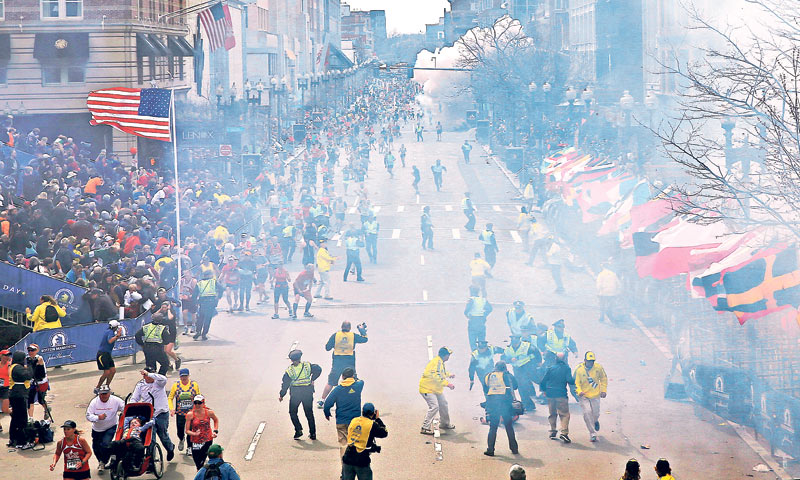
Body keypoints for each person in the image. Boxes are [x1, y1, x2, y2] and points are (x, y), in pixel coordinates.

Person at [130, 368, 175, 461]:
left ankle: (170, 448)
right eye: (147, 375)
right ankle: (151, 460)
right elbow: (134, 398)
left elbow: (164, 379)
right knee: (150, 437)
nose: (149, 377)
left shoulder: (158, 382)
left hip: (161, 413)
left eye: (151, 374)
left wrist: (150, 374)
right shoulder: (140, 385)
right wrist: (131, 407)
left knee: (163, 435)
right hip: (149, 414)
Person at [320, 321, 368, 407]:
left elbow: (327, 348)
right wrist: (362, 330)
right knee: (353, 381)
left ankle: (322, 401)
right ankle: (354, 400)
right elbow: (364, 339)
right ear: (349, 328)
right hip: (349, 362)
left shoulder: (335, 335)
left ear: (341, 327)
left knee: (331, 382)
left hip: (337, 362)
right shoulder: (353, 336)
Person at [323, 367, 364, 463]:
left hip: (342, 422)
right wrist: (355, 378)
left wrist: (327, 413)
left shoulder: (338, 389)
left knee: (344, 445)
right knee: (355, 443)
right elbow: (362, 381)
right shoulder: (358, 386)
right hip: (355, 422)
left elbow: (327, 403)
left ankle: (345, 468)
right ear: (353, 376)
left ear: (342, 376)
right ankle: (356, 465)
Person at [279, 349, 322, 440]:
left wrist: (282, 395)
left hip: (295, 394)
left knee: (293, 412)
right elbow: (318, 369)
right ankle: (313, 433)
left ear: (291, 360)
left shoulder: (289, 371)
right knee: (309, 413)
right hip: (307, 392)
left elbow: (285, 384)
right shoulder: (307, 366)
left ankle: (298, 430)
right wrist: (312, 379)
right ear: (300, 357)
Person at [341, 402, 388, 480]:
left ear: (362, 412)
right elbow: (384, 433)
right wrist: (378, 419)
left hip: (348, 457)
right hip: (361, 460)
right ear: (373, 413)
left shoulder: (354, 420)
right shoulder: (372, 425)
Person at [85, 385, 124, 474]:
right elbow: (88, 416)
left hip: (111, 426)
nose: (104, 396)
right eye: (102, 394)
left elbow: (125, 408)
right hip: (97, 429)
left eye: (106, 393)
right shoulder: (94, 402)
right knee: (96, 447)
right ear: (99, 394)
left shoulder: (116, 400)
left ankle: (105, 461)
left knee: (105, 444)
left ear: (109, 393)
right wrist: (98, 417)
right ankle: (101, 461)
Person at [483, 361, 519, 456]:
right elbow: (515, 386)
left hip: (493, 403)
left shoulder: (488, 376)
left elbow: (486, 389)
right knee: (508, 426)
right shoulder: (507, 376)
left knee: (493, 427)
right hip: (505, 403)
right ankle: (514, 448)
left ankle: (490, 450)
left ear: (495, 368)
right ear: (505, 368)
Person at [419, 346, 455, 435]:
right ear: (444, 355)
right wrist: (448, 384)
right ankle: (425, 427)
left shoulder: (440, 362)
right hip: (427, 389)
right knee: (434, 406)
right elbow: (436, 376)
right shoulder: (437, 362)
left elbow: (441, 373)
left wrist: (449, 375)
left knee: (443, 404)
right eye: (448, 354)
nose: (449, 356)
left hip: (435, 389)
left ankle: (445, 423)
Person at [539, 352, 575, 443]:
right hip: (561, 394)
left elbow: (543, 381)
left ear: (556, 359)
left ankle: (553, 431)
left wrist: (544, 391)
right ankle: (564, 433)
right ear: (565, 359)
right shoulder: (566, 369)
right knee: (564, 414)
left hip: (550, 395)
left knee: (552, 413)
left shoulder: (550, 368)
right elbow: (570, 381)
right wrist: (576, 379)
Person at [574, 351, 608, 442]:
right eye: (589, 361)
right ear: (585, 360)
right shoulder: (579, 369)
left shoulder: (598, 368)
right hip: (584, 396)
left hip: (595, 395)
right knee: (587, 413)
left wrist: (603, 390)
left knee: (595, 413)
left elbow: (604, 379)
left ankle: (595, 421)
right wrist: (579, 391)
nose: (591, 363)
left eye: (592, 361)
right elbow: (576, 382)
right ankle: (592, 433)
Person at [502, 334, 541, 412]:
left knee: (537, 379)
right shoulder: (508, 349)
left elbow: (536, 352)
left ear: (519, 340)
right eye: (513, 342)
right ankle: (528, 405)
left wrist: (539, 362)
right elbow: (503, 358)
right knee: (521, 386)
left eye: (516, 342)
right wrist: (509, 359)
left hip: (528, 366)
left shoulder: (526, 346)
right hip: (518, 369)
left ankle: (549, 392)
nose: (515, 344)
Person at [168, 368, 201, 455]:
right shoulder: (176, 385)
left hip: (191, 413)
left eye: (186, 376)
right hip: (180, 413)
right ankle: (181, 439)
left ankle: (189, 447)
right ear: (180, 377)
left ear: (188, 376)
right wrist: (171, 409)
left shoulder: (194, 384)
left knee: (190, 430)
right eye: (182, 376)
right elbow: (170, 397)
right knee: (180, 430)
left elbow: (199, 396)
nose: (184, 378)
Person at [184, 395, 219, 470]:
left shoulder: (209, 412)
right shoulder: (190, 415)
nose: (197, 405)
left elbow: (215, 420)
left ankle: (202, 475)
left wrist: (215, 431)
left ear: (203, 403)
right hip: (195, 441)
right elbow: (187, 431)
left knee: (201, 462)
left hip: (207, 440)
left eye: (199, 403)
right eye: (195, 403)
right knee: (197, 462)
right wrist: (194, 434)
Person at [8, 350, 32, 448]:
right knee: (22, 419)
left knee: (15, 418)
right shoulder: (17, 367)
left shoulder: (13, 366)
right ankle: (22, 442)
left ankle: (13, 439)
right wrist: (31, 365)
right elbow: (28, 376)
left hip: (15, 394)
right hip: (19, 395)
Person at [193, 269, 222, 341]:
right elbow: (221, 288)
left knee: (200, 318)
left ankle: (198, 331)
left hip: (202, 302)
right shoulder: (214, 281)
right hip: (211, 302)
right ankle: (204, 334)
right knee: (207, 319)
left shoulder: (199, 283)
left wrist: (195, 303)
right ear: (209, 275)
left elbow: (194, 295)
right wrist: (218, 297)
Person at [95, 320, 122, 394]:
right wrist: (117, 336)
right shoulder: (109, 332)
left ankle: (106, 387)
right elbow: (110, 341)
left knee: (113, 371)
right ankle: (97, 388)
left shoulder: (110, 332)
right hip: (102, 355)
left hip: (107, 354)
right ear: (115, 327)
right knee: (107, 372)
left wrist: (116, 336)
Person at [26, 343, 51, 420]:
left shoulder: (39, 358)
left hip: (42, 382)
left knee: (41, 400)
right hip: (32, 382)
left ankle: (46, 409)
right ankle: (30, 418)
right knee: (30, 400)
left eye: (32, 350)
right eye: (29, 350)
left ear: (36, 351)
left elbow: (34, 366)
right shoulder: (27, 358)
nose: (30, 352)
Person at [463, 286, 492, 350]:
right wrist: (484, 315)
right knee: (481, 339)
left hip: (473, 320)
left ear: (471, 291)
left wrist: (467, 314)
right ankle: (482, 353)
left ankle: (475, 354)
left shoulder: (471, 299)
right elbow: (490, 308)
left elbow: (466, 310)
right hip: (481, 320)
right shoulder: (483, 299)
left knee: (472, 340)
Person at [0, 349, 10, 432]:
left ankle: (15, 415)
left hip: (6, 387)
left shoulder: (9, 364)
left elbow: (10, 374)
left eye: (8, 355)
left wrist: (9, 365)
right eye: (5, 355)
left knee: (5, 409)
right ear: (1, 356)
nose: (7, 357)